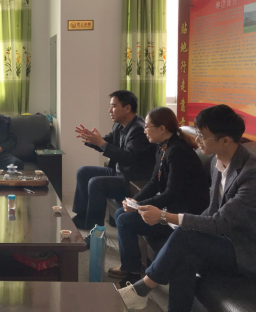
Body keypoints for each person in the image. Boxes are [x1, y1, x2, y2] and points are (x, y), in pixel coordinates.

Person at [118, 105, 256, 312]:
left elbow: (220, 222)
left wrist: (164, 216)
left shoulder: (251, 174)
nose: (197, 140)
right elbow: (211, 211)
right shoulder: (217, 162)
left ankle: (143, 288)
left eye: (202, 136)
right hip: (222, 239)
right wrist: (176, 221)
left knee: (185, 237)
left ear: (226, 140)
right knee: (184, 256)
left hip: (244, 249)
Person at [109, 107, 210, 285]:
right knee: (120, 213)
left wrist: (139, 207)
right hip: (171, 206)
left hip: (182, 215)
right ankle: (131, 265)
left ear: (162, 129)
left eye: (147, 126)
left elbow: (172, 193)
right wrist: (136, 200)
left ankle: (131, 271)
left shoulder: (178, 152)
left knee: (124, 220)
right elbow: (154, 182)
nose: (144, 130)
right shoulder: (163, 147)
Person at [73, 90, 156, 231]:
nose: (109, 110)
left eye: (113, 106)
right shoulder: (119, 125)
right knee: (83, 172)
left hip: (132, 179)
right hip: (119, 172)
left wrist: (101, 143)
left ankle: (95, 229)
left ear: (127, 108)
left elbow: (128, 157)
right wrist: (91, 139)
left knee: (96, 183)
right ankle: (82, 217)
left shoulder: (139, 129)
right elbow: (107, 142)